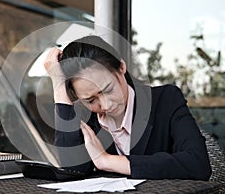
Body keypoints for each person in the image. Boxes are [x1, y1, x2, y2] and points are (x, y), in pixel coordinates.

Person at [43, 35, 211, 180]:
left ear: (122, 67)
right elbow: (73, 170)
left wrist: (107, 161)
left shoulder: (166, 99)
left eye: (108, 89)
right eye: (91, 100)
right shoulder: (82, 115)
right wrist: (58, 85)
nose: (106, 105)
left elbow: (197, 164)